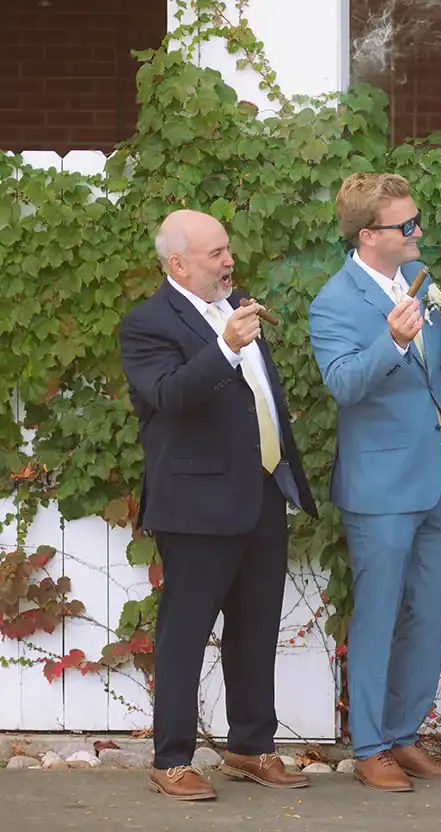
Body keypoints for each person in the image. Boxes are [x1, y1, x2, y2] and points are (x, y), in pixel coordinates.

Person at [119, 209, 318, 801]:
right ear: (178, 264)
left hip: (260, 491)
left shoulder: (239, 306)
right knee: (185, 632)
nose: (229, 261)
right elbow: (168, 397)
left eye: (228, 250)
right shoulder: (147, 324)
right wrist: (226, 348)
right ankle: (171, 759)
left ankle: (251, 747)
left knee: (256, 629)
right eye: (216, 254)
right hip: (196, 503)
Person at [308, 173, 441, 792]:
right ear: (369, 235)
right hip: (379, 487)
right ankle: (370, 745)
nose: (418, 231)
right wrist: (392, 339)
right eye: (407, 225)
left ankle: (403, 736)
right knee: (377, 617)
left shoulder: (413, 283)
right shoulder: (335, 301)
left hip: (434, 478)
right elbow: (345, 385)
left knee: (429, 613)